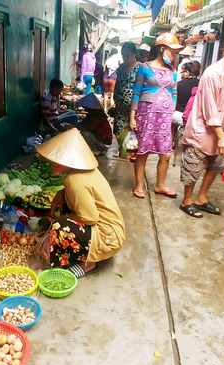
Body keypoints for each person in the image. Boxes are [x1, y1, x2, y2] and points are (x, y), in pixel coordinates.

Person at [37, 128, 126, 278]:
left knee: (60, 228)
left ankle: (88, 264)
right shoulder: (84, 172)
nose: (52, 162)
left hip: (107, 238)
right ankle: (83, 252)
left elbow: (90, 218)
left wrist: (61, 221)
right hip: (113, 232)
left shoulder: (75, 180)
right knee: (61, 218)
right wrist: (62, 193)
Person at [179, 35, 224, 218]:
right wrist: (222, 136)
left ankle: (201, 198)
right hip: (202, 130)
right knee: (194, 167)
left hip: (221, 130)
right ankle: (187, 201)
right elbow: (210, 110)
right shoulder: (212, 74)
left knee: (216, 165)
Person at [129, 33, 183, 199]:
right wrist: (132, 116)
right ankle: (139, 185)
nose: (174, 55)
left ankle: (160, 185)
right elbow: (136, 93)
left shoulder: (173, 71)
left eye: (175, 52)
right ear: (161, 49)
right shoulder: (145, 68)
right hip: (146, 116)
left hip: (164, 119)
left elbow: (174, 93)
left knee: (166, 154)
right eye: (172, 51)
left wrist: (170, 111)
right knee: (142, 152)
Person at [113, 42, 140, 135]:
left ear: (134, 54)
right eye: (123, 55)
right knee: (119, 132)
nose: (125, 58)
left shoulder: (140, 68)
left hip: (134, 108)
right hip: (120, 107)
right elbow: (118, 82)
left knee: (131, 133)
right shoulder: (121, 67)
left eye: (127, 55)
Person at [172, 61, 200, 126]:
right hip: (195, 117)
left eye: (182, 72)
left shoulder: (179, 85)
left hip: (180, 115)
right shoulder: (201, 84)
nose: (181, 74)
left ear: (187, 73)